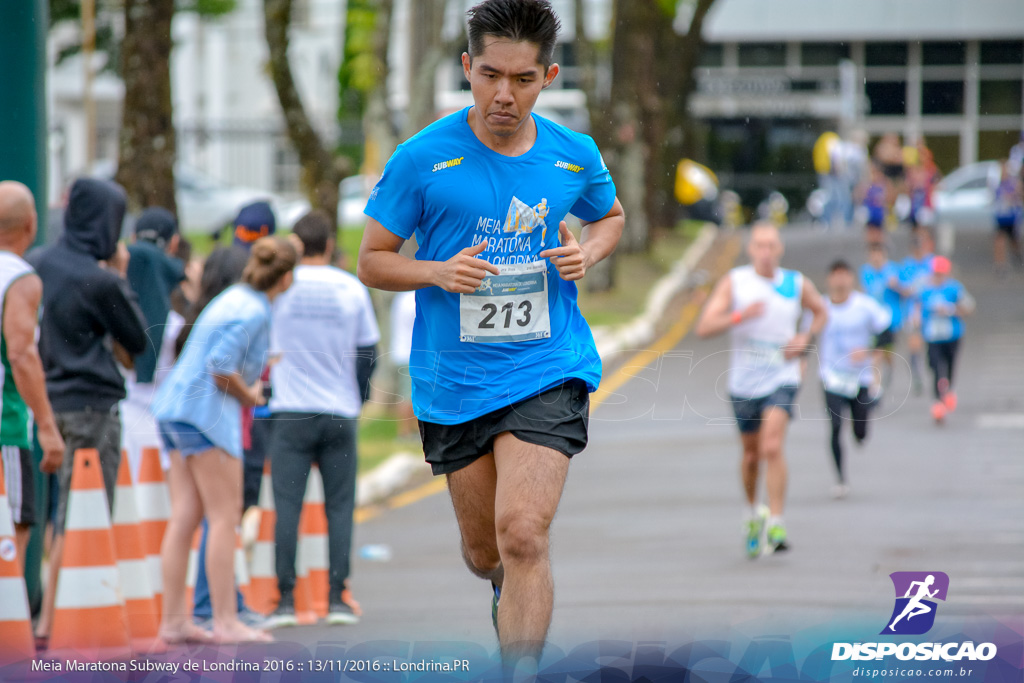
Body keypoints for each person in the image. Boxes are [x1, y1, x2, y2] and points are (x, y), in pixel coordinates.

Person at [357, 0, 624, 665]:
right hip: (453, 380)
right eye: (491, 75)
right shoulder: (422, 159)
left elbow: (610, 215)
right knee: (486, 554)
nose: (505, 94)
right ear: (468, 68)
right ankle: (508, 591)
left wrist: (587, 253)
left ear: (549, 76)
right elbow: (372, 259)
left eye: (524, 79)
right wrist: (435, 271)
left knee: (524, 532)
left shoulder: (572, 155)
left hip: (547, 366)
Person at [152, 236, 297, 644]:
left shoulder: (234, 296)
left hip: (174, 408)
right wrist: (251, 394)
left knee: (184, 517)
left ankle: (174, 621)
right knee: (224, 516)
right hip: (205, 417)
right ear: (286, 278)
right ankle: (226, 621)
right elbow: (220, 367)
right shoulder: (255, 310)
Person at [29, 177, 148, 644]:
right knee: (84, 514)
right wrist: (120, 274)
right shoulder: (98, 279)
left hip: (46, 403)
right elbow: (137, 339)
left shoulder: (37, 262)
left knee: (55, 512)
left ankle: (44, 615)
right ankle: (64, 622)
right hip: (91, 407)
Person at [264, 210, 379, 628]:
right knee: (340, 507)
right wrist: (359, 397)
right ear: (329, 245)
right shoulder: (349, 287)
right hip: (338, 409)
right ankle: (336, 597)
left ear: (295, 244)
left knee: (287, 507)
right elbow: (368, 352)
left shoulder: (280, 288)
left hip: (290, 410)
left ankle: (284, 600)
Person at [695, 222, 827, 558]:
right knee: (751, 456)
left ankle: (777, 522)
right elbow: (705, 326)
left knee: (771, 446)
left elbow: (821, 311)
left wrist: (805, 339)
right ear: (751, 249)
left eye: (771, 245)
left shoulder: (795, 283)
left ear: (779, 249)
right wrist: (739, 316)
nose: (766, 252)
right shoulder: (735, 282)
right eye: (759, 245)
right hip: (744, 383)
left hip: (783, 376)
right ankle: (752, 512)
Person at [0, 182, 65, 570]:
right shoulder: (19, 278)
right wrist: (46, 424)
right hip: (5, 424)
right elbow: (22, 354)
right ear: (31, 224)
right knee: (12, 530)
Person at [818, 260, 891, 499]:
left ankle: (860, 432)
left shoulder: (865, 306)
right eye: (835, 275)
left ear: (851, 278)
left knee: (860, 431)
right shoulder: (820, 307)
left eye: (844, 275)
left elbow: (887, 332)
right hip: (832, 377)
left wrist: (869, 351)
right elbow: (805, 336)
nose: (840, 280)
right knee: (836, 425)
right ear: (829, 279)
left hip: (860, 376)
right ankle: (840, 479)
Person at [122, 207, 186, 477]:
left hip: (119, 425)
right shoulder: (176, 326)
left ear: (133, 238)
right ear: (173, 244)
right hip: (164, 430)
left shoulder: (109, 312)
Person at [917, 256, 974, 424]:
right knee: (935, 367)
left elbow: (969, 308)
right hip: (933, 336)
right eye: (936, 273)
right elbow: (916, 309)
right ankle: (937, 402)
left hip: (952, 335)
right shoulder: (924, 289)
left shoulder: (954, 289)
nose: (938, 276)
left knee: (949, 365)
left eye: (941, 273)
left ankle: (948, 390)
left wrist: (950, 309)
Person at [859, 243, 903, 396]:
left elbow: (907, 293)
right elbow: (865, 292)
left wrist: (896, 285)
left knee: (887, 353)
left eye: (879, 254)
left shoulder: (893, 270)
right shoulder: (865, 271)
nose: (876, 257)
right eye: (873, 254)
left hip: (891, 319)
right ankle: (875, 386)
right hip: (873, 320)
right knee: (876, 352)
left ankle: (889, 367)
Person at [898, 227, 936, 395]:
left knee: (932, 346)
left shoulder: (933, 262)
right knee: (914, 345)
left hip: (933, 311)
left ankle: (933, 368)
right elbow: (904, 289)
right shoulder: (906, 265)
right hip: (913, 311)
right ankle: (917, 375)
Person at [390, 290, 418, 440]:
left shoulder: (400, 297)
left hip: (401, 352)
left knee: (407, 394)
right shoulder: (412, 299)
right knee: (408, 395)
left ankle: (411, 431)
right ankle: (405, 432)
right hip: (409, 353)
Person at [992, 159, 1023, 275]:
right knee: (999, 240)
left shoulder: (1014, 183)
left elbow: (1018, 196)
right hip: (1001, 218)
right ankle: (1000, 265)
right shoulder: (997, 183)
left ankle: (1017, 256)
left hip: (1012, 217)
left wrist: (1013, 195)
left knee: (1014, 241)